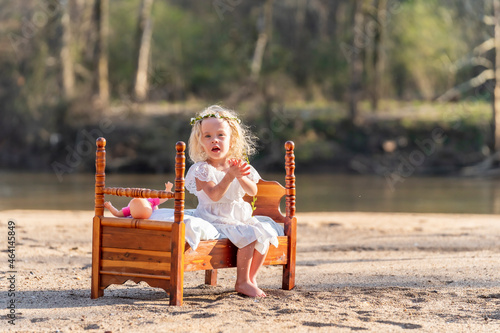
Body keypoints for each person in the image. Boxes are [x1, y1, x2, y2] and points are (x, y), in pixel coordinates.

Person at [186, 105, 279, 298]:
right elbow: (214, 195)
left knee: (266, 232)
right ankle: (242, 281)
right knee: (249, 236)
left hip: (238, 217)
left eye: (221, 135)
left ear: (232, 139)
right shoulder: (201, 169)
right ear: (200, 142)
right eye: (208, 136)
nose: (215, 140)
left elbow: (252, 191)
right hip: (214, 217)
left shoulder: (239, 165)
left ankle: (251, 278)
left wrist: (239, 176)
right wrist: (229, 176)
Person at [104, 182, 173, 219]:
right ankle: (155, 208)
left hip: (150, 207)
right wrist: (168, 189)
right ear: (149, 205)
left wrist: (110, 207)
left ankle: (155, 208)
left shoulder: (129, 210)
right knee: (156, 207)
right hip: (152, 207)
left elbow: (117, 213)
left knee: (156, 207)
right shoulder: (151, 201)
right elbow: (165, 198)